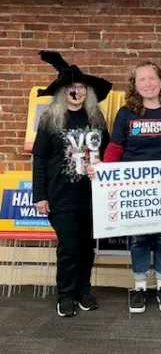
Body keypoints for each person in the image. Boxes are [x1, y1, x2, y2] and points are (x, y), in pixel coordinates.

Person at [89, 62, 161, 314]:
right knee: (138, 238)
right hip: (134, 187)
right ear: (135, 85)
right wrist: (104, 170)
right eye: (142, 80)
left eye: (152, 78)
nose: (148, 84)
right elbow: (116, 147)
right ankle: (138, 287)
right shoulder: (126, 113)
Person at [32, 51, 112, 317]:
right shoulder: (50, 120)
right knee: (68, 247)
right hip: (61, 196)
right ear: (62, 92)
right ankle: (65, 295)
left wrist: (103, 168)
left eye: (80, 88)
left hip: (92, 196)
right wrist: (40, 196)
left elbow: (109, 153)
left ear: (87, 92)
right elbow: (40, 159)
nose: (76, 91)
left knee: (86, 247)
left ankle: (83, 291)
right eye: (71, 88)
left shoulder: (96, 119)